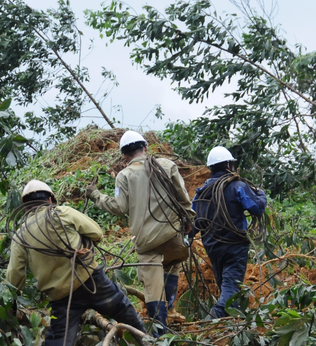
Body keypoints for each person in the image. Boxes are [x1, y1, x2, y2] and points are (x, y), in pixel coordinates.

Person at [7, 180, 148, 346]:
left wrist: (10, 302)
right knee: (124, 309)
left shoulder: (21, 234)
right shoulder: (61, 212)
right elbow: (97, 233)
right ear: (50, 200)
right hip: (92, 282)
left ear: (25, 208)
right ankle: (150, 345)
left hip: (61, 297)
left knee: (58, 340)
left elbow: (15, 275)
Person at [85, 130, 195, 335]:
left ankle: (160, 334)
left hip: (146, 243)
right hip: (172, 234)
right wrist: (189, 218)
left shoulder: (124, 176)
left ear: (125, 155)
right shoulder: (166, 165)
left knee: (153, 288)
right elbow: (182, 196)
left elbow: (119, 207)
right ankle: (170, 307)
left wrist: (96, 195)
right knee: (174, 262)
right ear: (145, 148)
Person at [190, 147, 267, 318]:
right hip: (234, 247)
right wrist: (260, 194)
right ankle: (211, 321)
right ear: (228, 165)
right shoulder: (237, 186)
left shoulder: (201, 193)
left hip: (213, 247)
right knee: (230, 292)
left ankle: (231, 326)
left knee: (226, 287)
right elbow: (257, 208)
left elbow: (193, 223)